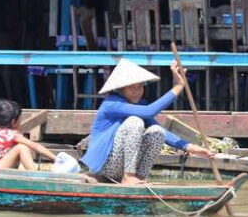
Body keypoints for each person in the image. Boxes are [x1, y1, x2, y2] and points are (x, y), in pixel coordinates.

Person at [81, 59, 213, 185]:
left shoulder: (139, 105)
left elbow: (160, 130)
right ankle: (128, 176)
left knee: (157, 131)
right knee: (134, 122)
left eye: (139, 87)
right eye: (131, 87)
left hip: (121, 165)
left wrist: (190, 147)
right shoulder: (111, 103)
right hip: (106, 165)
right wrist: (177, 87)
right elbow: (149, 111)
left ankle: (139, 177)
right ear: (120, 89)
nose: (136, 91)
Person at [0, 99, 57, 170]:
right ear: (13, 121)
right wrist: (55, 158)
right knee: (21, 147)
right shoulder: (11, 134)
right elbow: (35, 146)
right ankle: (35, 175)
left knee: (13, 148)